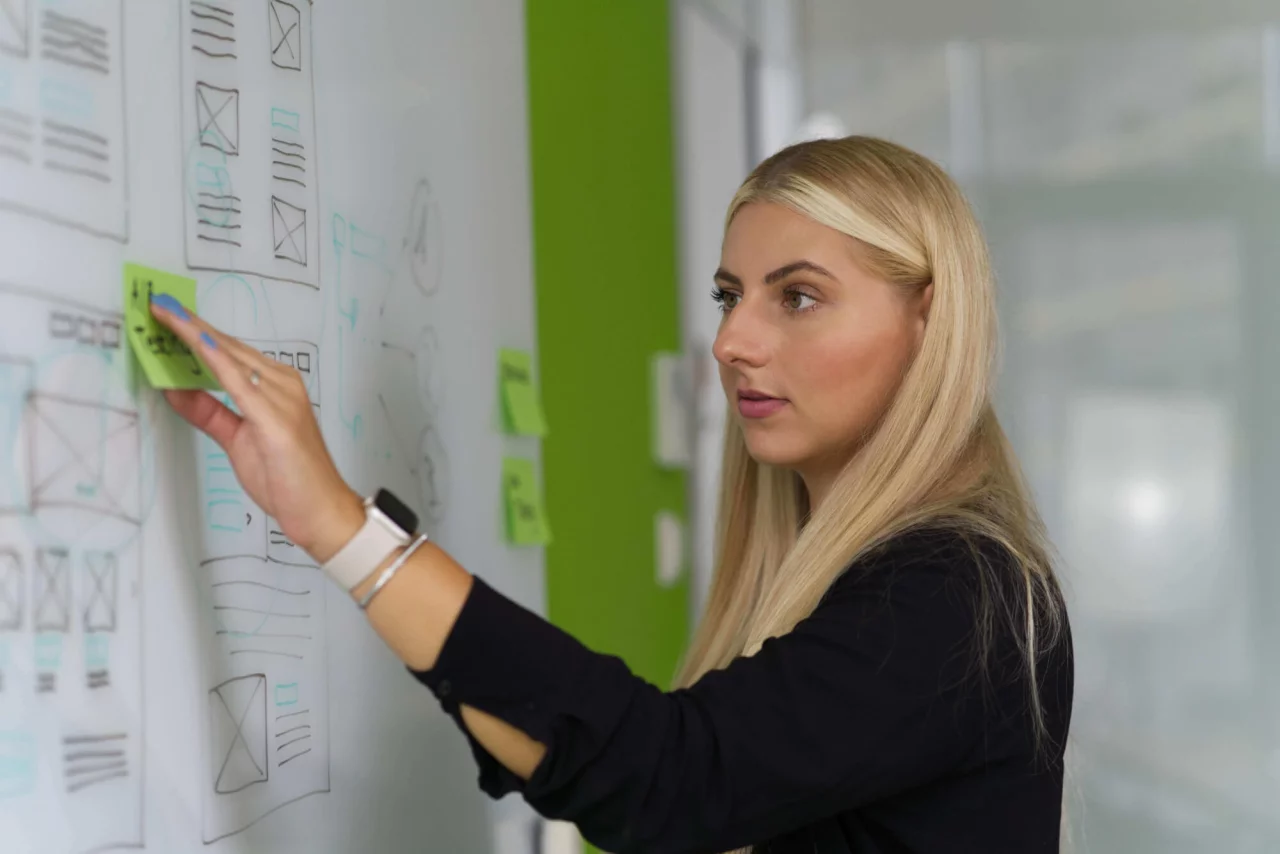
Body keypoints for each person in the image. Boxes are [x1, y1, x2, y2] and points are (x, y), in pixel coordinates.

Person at [150, 136, 1073, 854]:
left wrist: (344, 531)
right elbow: (623, 787)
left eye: (796, 297)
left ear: (928, 321)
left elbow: (667, 782)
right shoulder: (886, 573)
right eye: (728, 296)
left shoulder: (961, 594)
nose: (731, 342)